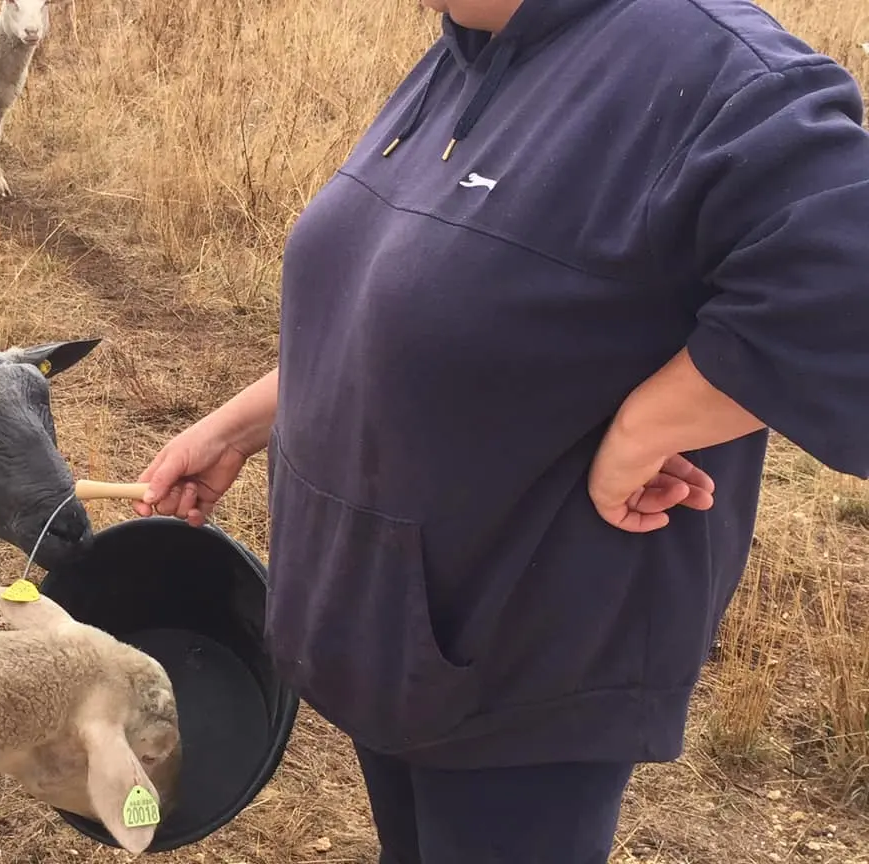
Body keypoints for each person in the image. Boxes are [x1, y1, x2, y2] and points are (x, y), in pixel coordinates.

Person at [131, 0, 869, 861]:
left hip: (522, 658)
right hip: (390, 626)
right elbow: (409, 306)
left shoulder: (707, 61)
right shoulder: (470, 53)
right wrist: (237, 427)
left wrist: (648, 425)